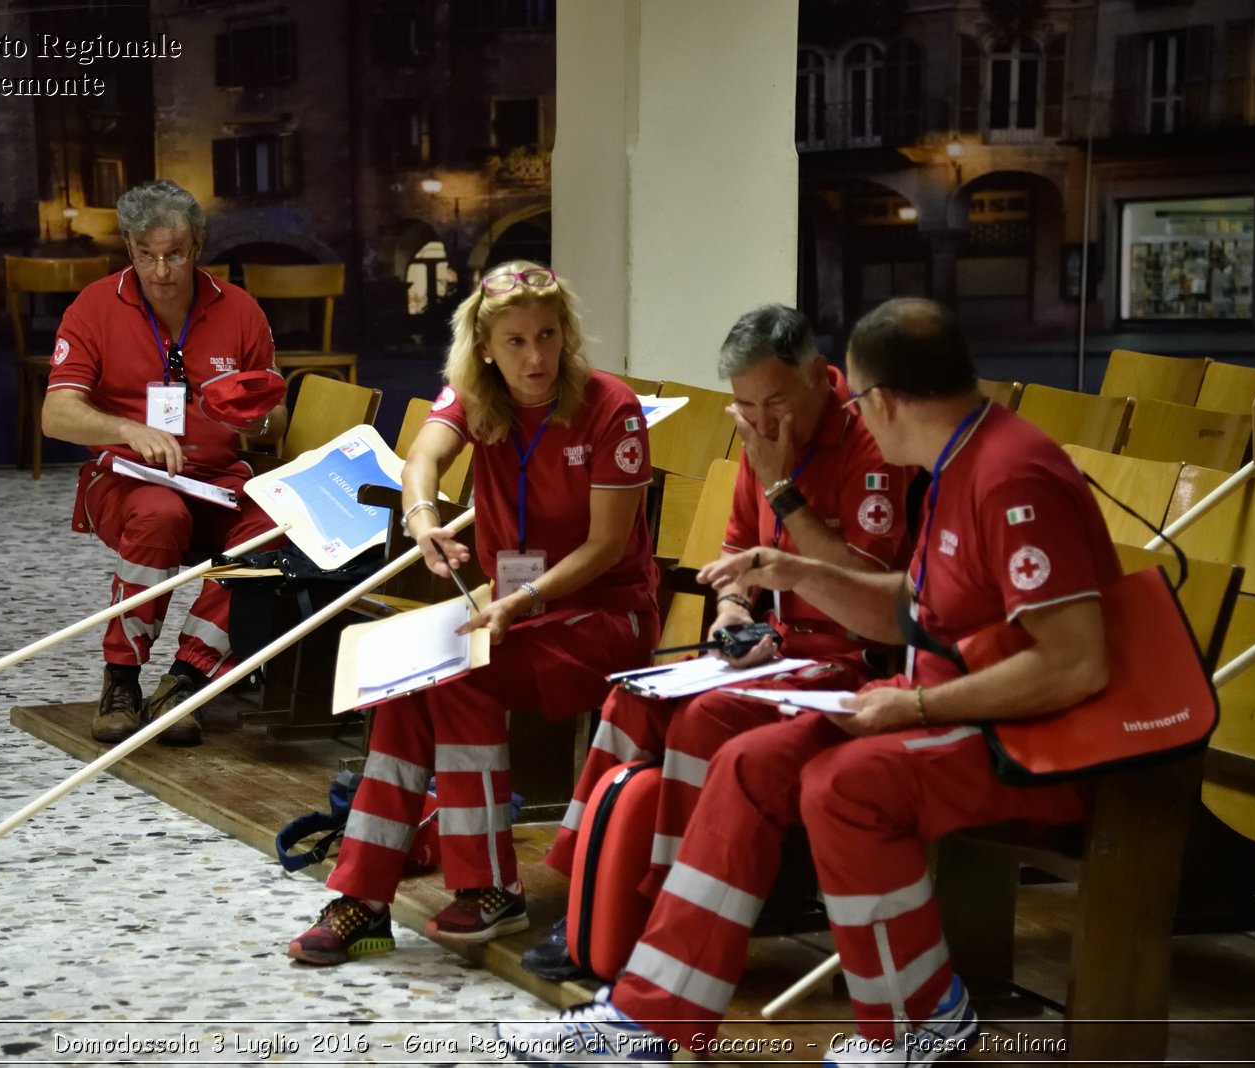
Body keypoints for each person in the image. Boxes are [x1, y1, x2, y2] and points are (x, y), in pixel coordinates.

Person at [497, 297, 1122, 1066]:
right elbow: (907, 614)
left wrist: (916, 702)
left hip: (1028, 739)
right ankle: (652, 1018)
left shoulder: (1012, 475)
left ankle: (921, 1014)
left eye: (856, 396)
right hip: (945, 706)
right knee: (746, 763)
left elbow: (1073, 662)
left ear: (881, 400)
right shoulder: (959, 460)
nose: (857, 412)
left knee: (843, 786)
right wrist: (785, 569)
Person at [287, 261, 661, 966]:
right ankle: (364, 900)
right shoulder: (475, 395)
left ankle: (492, 887)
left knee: (459, 676)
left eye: (548, 336)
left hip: (603, 615)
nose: (536, 356)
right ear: (486, 347)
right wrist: (423, 515)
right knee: (407, 682)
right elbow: (422, 456)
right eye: (516, 341)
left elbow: (608, 546)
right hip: (515, 607)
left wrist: (520, 598)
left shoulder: (611, 407)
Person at [524, 303, 909, 978]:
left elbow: (868, 588)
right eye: (746, 405)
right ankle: (587, 896)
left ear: (820, 376)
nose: (761, 422)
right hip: (776, 645)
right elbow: (738, 552)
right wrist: (731, 608)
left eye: (777, 401)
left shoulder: (867, 443)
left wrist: (782, 487)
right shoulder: (761, 440)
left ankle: (662, 910)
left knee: (705, 719)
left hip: (852, 657)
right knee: (632, 699)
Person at [42, 179, 288, 747]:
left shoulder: (242, 311)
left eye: (174, 254)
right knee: (161, 514)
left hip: (219, 482)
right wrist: (128, 429)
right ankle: (122, 679)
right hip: (129, 482)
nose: (161, 271)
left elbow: (272, 419)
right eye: (147, 255)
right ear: (129, 249)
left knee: (276, 529)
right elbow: (57, 414)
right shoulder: (95, 306)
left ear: (197, 245)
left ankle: (187, 681)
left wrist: (254, 418)